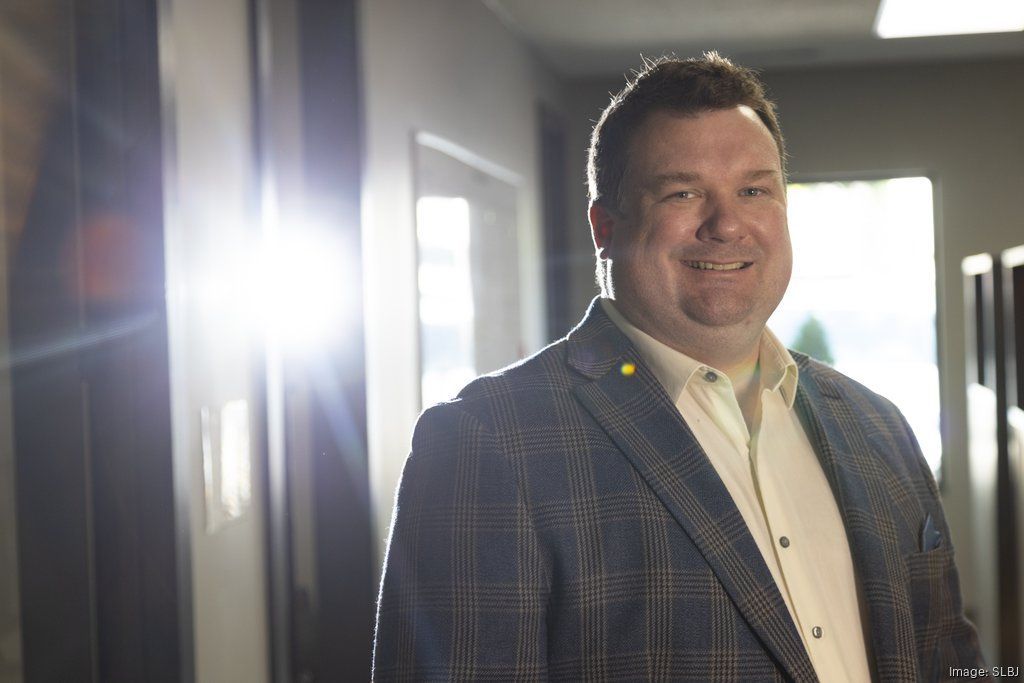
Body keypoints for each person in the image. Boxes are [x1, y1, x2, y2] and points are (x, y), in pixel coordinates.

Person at [373, 53, 983, 681]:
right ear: (604, 227)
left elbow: (954, 662)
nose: (726, 225)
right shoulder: (487, 442)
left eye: (754, 190)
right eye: (683, 192)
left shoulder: (877, 425)